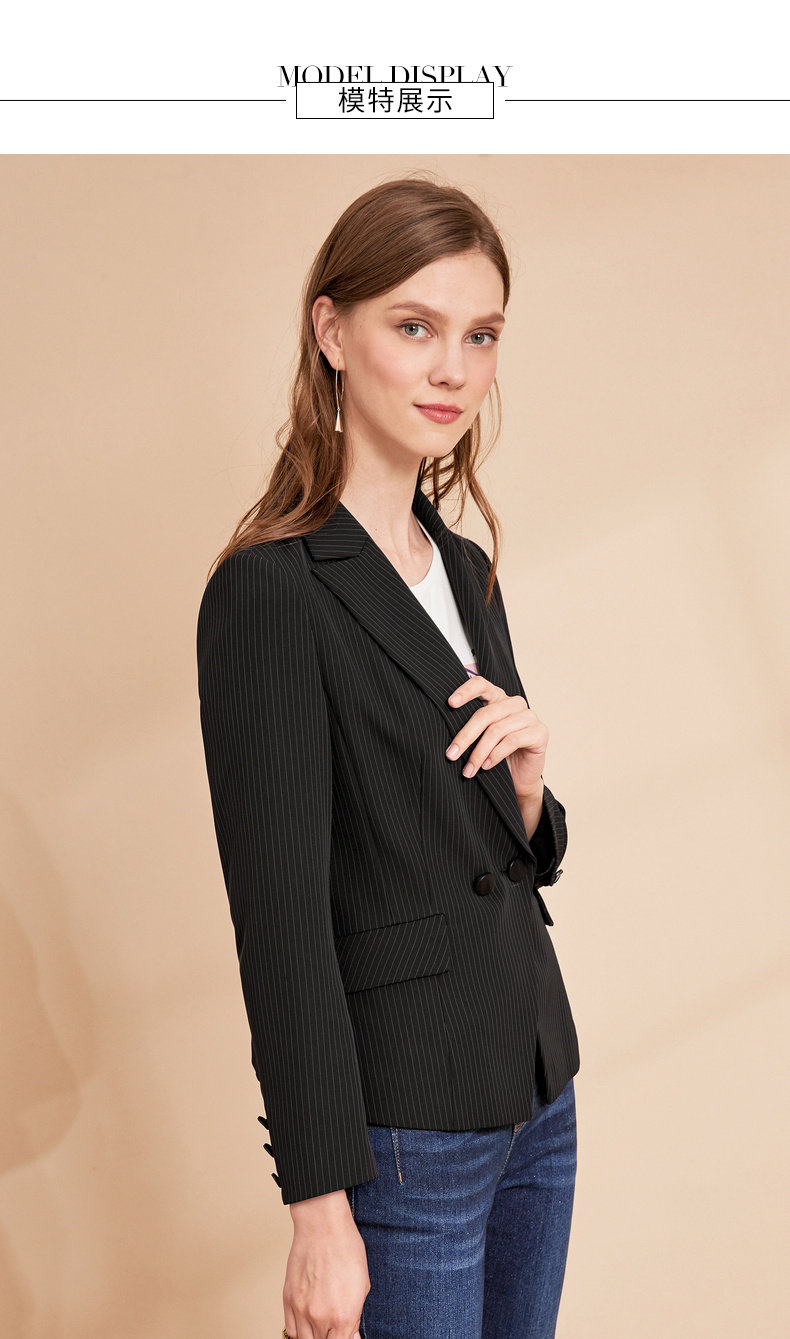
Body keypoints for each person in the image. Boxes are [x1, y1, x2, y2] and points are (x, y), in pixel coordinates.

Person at [196, 175, 580, 1339]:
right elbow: (281, 926)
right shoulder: (271, 592)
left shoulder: (461, 565)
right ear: (331, 330)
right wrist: (318, 1212)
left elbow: (492, 850)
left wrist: (528, 792)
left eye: (480, 335)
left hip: (537, 1090)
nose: (452, 368)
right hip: (405, 1133)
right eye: (414, 327)